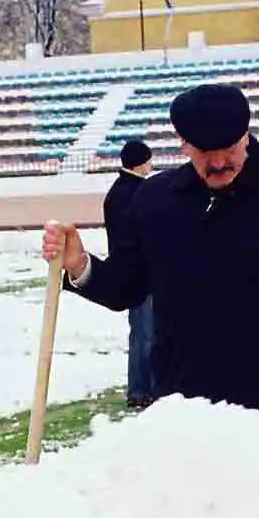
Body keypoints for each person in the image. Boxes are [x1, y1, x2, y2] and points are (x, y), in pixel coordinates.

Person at [41, 83, 259, 428]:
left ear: (246, 135)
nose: (220, 163)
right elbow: (126, 287)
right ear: (183, 143)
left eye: (229, 149)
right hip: (184, 407)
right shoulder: (155, 200)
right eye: (206, 153)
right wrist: (78, 263)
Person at [103, 138, 157, 407]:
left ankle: (142, 388)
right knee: (147, 334)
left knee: (142, 334)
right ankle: (143, 390)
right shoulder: (138, 193)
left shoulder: (118, 192)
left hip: (130, 272)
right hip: (142, 274)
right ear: (141, 162)